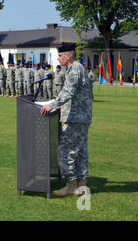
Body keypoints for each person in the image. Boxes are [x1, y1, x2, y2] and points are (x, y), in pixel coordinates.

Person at [40, 44, 93, 197]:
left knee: (65, 151)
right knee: (81, 152)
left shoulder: (75, 69)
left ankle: (71, 186)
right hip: (81, 117)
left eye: (61, 55)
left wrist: (51, 105)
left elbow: (67, 92)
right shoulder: (77, 68)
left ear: (68, 56)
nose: (58, 58)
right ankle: (81, 186)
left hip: (76, 118)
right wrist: (60, 107)